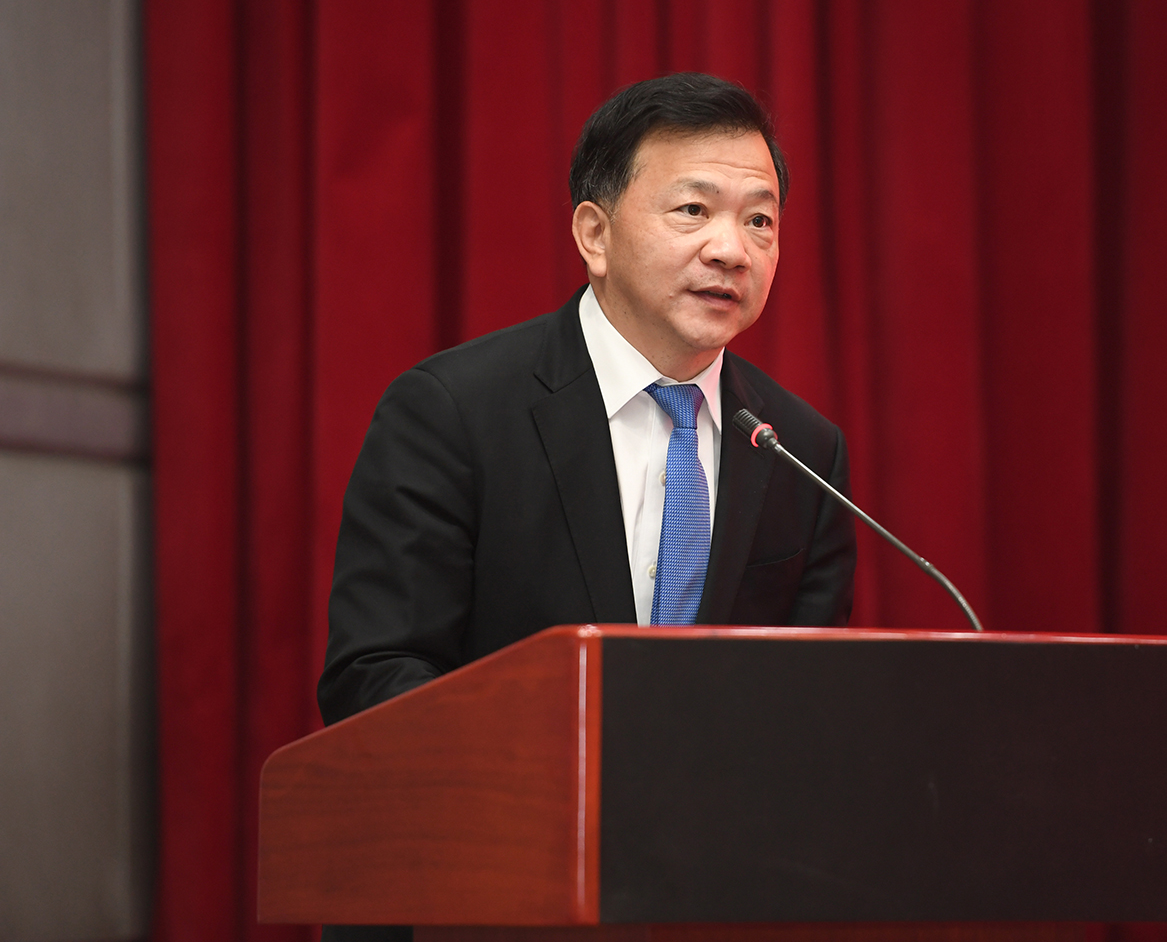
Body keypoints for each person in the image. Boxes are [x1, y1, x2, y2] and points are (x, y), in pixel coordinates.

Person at [318, 70, 857, 746]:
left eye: (759, 221)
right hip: (509, 805)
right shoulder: (452, 415)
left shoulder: (801, 451)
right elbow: (376, 676)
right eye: (693, 210)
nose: (731, 251)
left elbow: (811, 703)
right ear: (595, 234)